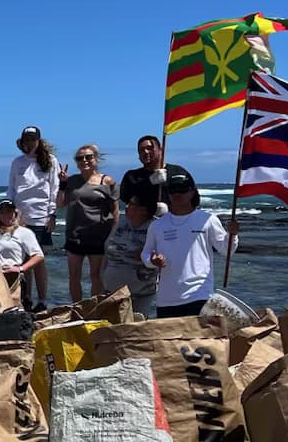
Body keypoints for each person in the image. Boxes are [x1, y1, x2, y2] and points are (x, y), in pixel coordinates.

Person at [142, 171, 239, 318]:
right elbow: (146, 253)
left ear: (192, 192)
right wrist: (152, 261)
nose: (177, 194)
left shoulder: (208, 219)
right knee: (170, 341)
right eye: (173, 190)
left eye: (182, 189)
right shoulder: (158, 225)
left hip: (199, 295)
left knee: (198, 341)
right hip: (166, 299)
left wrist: (232, 234)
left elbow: (227, 250)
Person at [7, 125, 59, 310]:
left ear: (38, 141)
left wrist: (52, 214)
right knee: (22, 260)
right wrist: (9, 212)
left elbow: (54, 189)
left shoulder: (50, 161)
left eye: (32, 140)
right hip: (20, 218)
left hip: (40, 217)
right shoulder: (17, 162)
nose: (29, 144)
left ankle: (43, 299)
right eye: (26, 141)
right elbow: (12, 189)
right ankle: (26, 296)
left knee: (38, 260)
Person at [57, 144, 117, 303]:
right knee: (74, 276)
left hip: (98, 236)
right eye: (80, 158)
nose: (84, 160)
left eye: (88, 157)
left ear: (96, 159)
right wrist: (62, 184)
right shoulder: (71, 181)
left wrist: (114, 234)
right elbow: (60, 204)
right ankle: (77, 308)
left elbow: (115, 210)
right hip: (74, 235)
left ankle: (94, 309)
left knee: (96, 275)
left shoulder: (107, 181)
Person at [102, 194, 159, 320]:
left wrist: (147, 256)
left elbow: (160, 257)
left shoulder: (156, 227)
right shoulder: (121, 223)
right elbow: (107, 249)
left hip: (139, 294)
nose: (126, 206)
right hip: (111, 291)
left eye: (132, 204)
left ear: (144, 210)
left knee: (134, 330)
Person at [0, 199, 44, 311]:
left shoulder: (23, 232)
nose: (6, 215)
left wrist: (21, 268)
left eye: (9, 212)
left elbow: (38, 256)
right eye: (2, 212)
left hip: (12, 277)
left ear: (15, 213)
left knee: (12, 309)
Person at [119, 135, 190, 214]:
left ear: (160, 150)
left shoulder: (178, 172)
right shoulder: (132, 176)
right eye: (141, 150)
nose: (145, 152)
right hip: (144, 223)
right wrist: (150, 182)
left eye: (149, 148)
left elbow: (191, 197)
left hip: (174, 221)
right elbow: (125, 197)